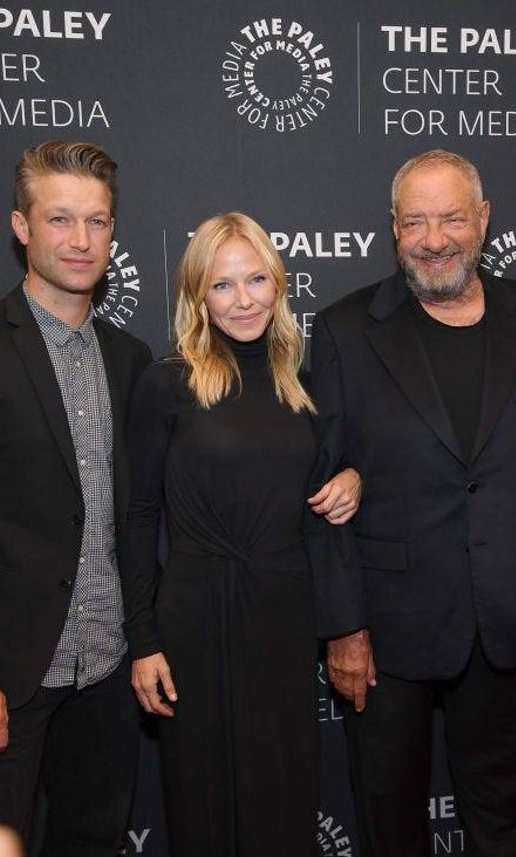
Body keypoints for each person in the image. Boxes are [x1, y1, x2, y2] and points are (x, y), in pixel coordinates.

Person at [306, 149, 516, 856]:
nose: (434, 239)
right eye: (415, 222)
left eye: (452, 219)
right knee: (390, 823)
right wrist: (343, 626)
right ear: (393, 228)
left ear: (484, 220)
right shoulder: (345, 330)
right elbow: (321, 491)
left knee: (514, 828)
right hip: (388, 633)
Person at [0, 140, 153, 853]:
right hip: (2, 679)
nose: (80, 240)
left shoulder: (129, 358)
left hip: (106, 671)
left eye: (96, 221)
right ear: (22, 226)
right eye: (59, 219)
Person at [121, 212, 361, 856]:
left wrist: (353, 478)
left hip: (284, 615)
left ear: (279, 284)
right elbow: (138, 516)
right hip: (194, 617)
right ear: (198, 295)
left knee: (282, 792)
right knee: (201, 798)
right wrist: (143, 639)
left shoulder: (303, 386)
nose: (244, 299)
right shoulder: (167, 383)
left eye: (256, 279)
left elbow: (331, 476)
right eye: (223, 285)